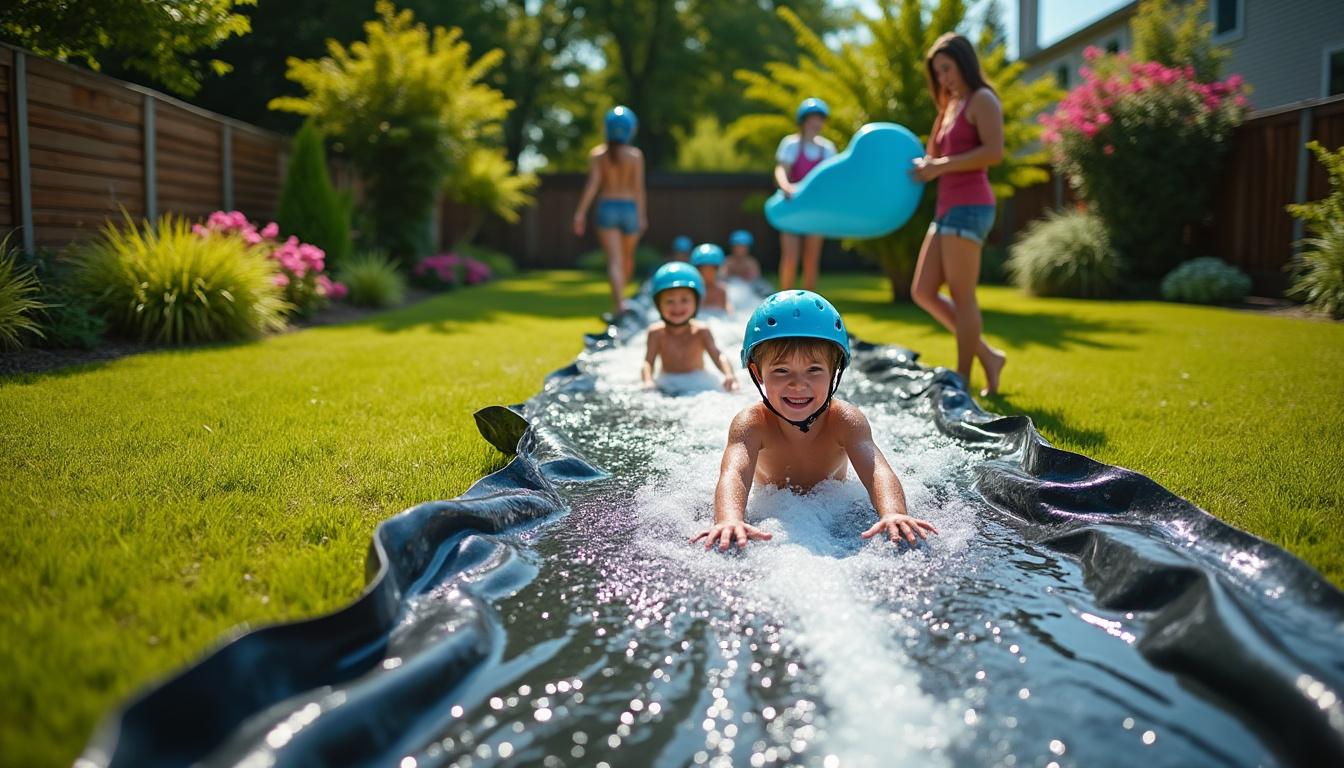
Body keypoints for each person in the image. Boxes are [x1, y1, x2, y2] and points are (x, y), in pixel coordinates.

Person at [691, 291, 939, 550]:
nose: (798, 384)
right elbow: (734, 474)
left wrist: (893, 512)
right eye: (781, 370)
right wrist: (729, 519)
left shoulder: (844, 420)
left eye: (814, 370)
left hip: (833, 506)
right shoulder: (752, 424)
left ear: (834, 371)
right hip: (775, 507)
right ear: (758, 373)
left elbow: (878, 471)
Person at [909, 33, 1008, 396]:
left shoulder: (982, 99)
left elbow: (993, 152)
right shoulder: (950, 106)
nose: (943, 78)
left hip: (971, 205)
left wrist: (940, 165)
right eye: (938, 73)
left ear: (964, 62)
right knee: (923, 291)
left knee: (962, 295)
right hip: (947, 208)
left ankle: (963, 378)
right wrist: (928, 162)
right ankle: (988, 356)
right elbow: (933, 155)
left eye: (947, 68)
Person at [573, 106, 647, 316]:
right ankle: (623, 300)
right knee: (627, 258)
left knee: (614, 261)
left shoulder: (598, 154)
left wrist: (580, 213)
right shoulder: (635, 155)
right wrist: (642, 216)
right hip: (629, 209)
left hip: (607, 208)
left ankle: (619, 305)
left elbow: (592, 185)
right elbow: (638, 189)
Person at [642, 262, 739, 394]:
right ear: (658, 305)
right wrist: (648, 380)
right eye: (670, 301)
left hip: (697, 384)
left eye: (684, 300)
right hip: (668, 383)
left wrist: (729, 375)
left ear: (696, 302)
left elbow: (718, 355)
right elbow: (648, 362)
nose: (677, 307)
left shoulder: (701, 331)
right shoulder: (656, 333)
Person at [773, 98, 837, 292]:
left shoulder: (827, 148)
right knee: (790, 258)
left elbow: (830, 179)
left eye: (820, 119)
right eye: (812, 119)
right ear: (804, 121)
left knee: (811, 259)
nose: (816, 123)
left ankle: (809, 301)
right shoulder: (790, 144)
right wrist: (786, 186)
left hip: (814, 210)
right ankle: (785, 298)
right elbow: (781, 170)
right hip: (792, 206)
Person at [690, 243, 731, 314]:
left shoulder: (721, 291)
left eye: (711, 270)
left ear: (718, 270)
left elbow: (728, 312)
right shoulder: (693, 291)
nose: (707, 274)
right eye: (703, 270)